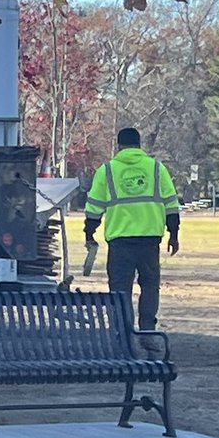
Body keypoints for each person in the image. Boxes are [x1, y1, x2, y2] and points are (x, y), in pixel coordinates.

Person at [84, 127, 181, 336]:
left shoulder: (107, 170)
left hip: (120, 242)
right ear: (139, 145)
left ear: (119, 146)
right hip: (149, 239)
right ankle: (147, 329)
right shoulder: (156, 168)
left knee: (120, 289)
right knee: (150, 286)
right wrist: (174, 234)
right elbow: (171, 204)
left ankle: (123, 331)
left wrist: (89, 232)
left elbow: (94, 207)